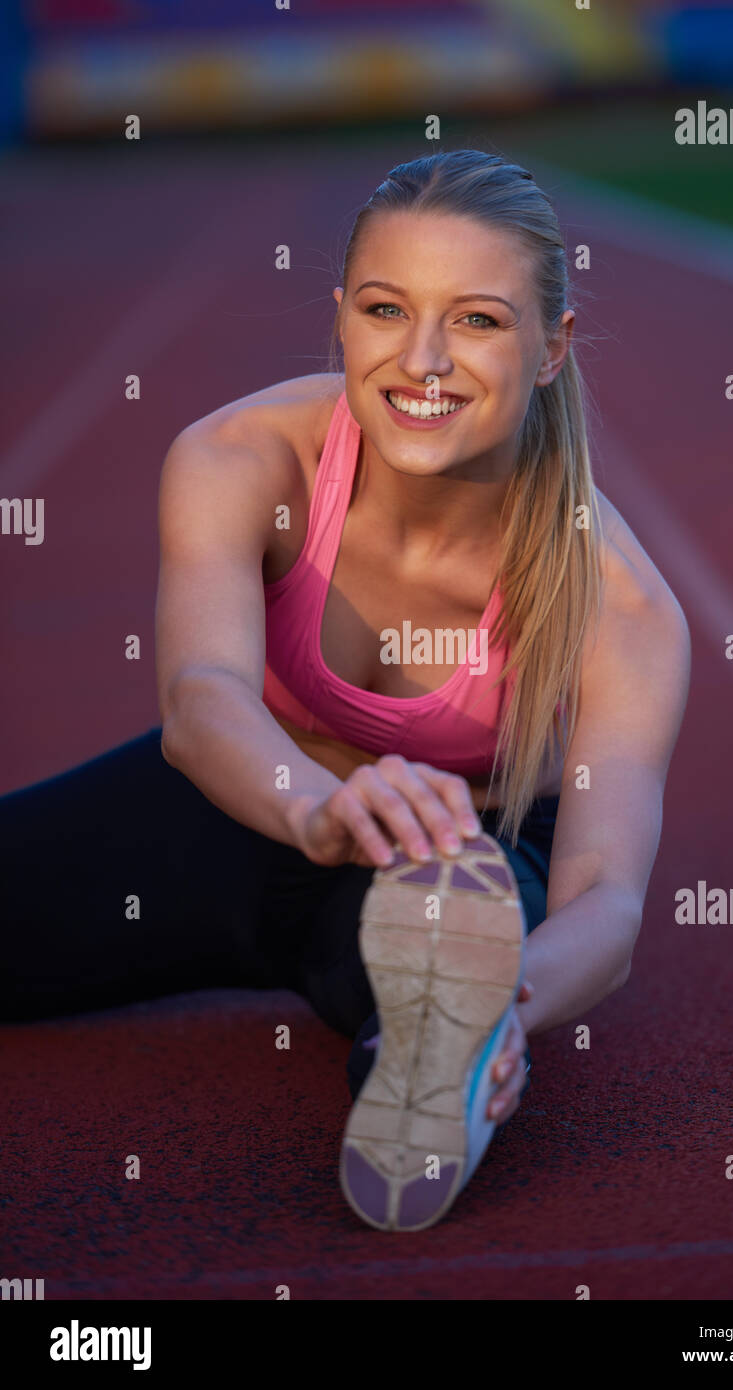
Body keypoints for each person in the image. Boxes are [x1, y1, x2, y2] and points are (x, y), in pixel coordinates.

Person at [0, 150, 690, 1231]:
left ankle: (430, 1058)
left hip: (440, 862)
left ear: (551, 347)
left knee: (443, 944)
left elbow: (608, 895)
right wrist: (315, 809)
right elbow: (203, 698)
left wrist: (509, 1009)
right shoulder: (242, 458)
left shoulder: (622, 605)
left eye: (476, 321)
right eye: (385, 310)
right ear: (342, 319)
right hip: (240, 808)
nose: (421, 360)